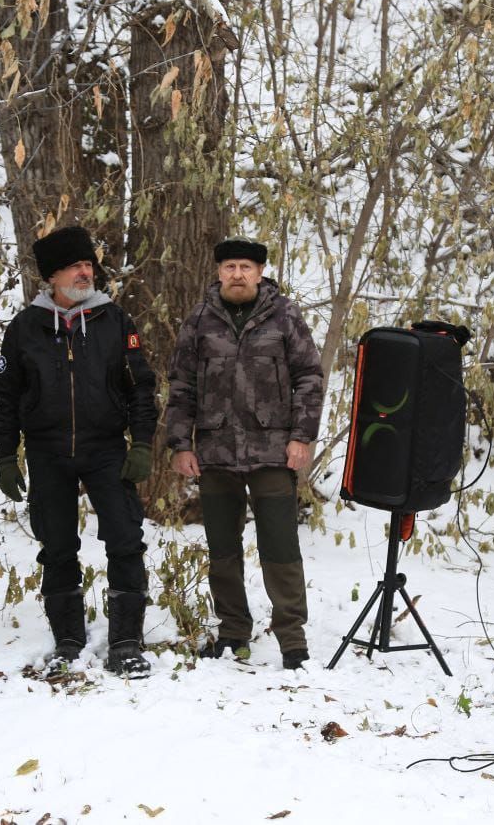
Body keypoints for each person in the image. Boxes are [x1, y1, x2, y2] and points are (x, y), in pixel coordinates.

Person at [0, 226, 157, 677]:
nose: (85, 272)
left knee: (125, 538)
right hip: (47, 451)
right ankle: (68, 641)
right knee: (57, 544)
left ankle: (126, 642)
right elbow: (6, 396)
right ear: (52, 276)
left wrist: (142, 442)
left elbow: (141, 386)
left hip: (106, 448)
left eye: (88, 265)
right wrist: (6, 455)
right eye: (74, 266)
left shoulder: (114, 320)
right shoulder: (25, 328)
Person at [165, 238, 324, 670]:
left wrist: (301, 436)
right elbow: (181, 385)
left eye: (246, 267)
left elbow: (309, 377)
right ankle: (233, 633)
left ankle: (292, 639)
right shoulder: (200, 319)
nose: (238, 274)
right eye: (230, 267)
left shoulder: (285, 315)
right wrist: (181, 443)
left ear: (260, 272)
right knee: (222, 549)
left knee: (280, 546)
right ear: (219, 272)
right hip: (215, 452)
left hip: (272, 451)